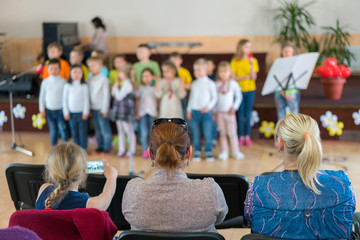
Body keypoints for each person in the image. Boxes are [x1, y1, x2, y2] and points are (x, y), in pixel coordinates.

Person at [244, 113, 356, 239]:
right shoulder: (343, 185)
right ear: (316, 142)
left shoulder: (258, 189)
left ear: (280, 143)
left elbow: (251, 221)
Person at [122, 119, 228, 232]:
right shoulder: (210, 190)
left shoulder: (133, 190)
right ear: (189, 153)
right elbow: (220, 219)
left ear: (150, 154)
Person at [35, 142, 117, 211]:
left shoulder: (43, 190)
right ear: (83, 171)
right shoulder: (89, 203)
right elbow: (106, 198)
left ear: (52, 171)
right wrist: (111, 177)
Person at [187, 58, 217, 161]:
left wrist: (208, 107)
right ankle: (197, 152)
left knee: (208, 133)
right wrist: (189, 110)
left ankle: (208, 151)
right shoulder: (194, 84)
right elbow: (192, 98)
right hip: (195, 112)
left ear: (206, 70)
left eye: (198, 69)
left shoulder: (210, 84)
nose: (196, 72)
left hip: (206, 112)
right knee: (196, 133)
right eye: (195, 70)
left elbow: (214, 98)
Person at [231, 39, 259, 147]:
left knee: (248, 114)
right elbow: (233, 77)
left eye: (250, 47)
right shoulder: (235, 61)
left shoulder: (253, 60)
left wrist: (251, 64)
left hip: (250, 90)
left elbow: (253, 77)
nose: (249, 49)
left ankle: (247, 136)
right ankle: (240, 136)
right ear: (241, 47)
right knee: (241, 114)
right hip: (239, 91)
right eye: (246, 47)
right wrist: (245, 77)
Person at [214, 61, 244, 161]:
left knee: (232, 132)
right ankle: (224, 151)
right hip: (219, 113)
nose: (223, 73)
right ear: (218, 73)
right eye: (221, 71)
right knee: (222, 133)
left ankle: (235, 151)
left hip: (229, 112)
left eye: (225, 71)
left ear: (230, 72)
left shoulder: (233, 83)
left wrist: (234, 107)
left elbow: (239, 96)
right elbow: (214, 98)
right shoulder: (216, 84)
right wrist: (214, 110)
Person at [39, 58, 69, 146]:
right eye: (51, 69)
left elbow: (66, 97)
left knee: (63, 129)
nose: (54, 71)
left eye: (56, 68)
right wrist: (42, 109)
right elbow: (42, 97)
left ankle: (65, 148)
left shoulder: (64, 82)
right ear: (48, 70)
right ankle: (54, 148)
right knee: (53, 130)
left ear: (60, 69)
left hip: (61, 110)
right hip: (50, 110)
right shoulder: (45, 82)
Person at [87, 56, 112, 155]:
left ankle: (107, 147)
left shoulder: (104, 79)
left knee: (104, 129)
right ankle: (100, 146)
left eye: (93, 66)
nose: (91, 68)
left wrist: (105, 109)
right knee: (97, 129)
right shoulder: (89, 79)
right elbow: (88, 95)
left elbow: (106, 95)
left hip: (102, 109)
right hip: (93, 108)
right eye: (89, 66)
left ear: (100, 66)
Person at [110, 64, 136, 157]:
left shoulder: (128, 84)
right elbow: (113, 93)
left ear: (125, 73)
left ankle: (132, 150)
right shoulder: (123, 83)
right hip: (120, 109)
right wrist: (116, 83)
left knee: (128, 130)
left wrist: (117, 87)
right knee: (120, 130)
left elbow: (119, 96)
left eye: (120, 72)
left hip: (125, 110)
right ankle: (122, 149)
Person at [63, 65, 90, 150]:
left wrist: (86, 112)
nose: (77, 74)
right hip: (71, 114)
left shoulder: (84, 86)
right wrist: (66, 112)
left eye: (79, 72)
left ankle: (83, 148)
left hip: (82, 114)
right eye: (74, 72)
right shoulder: (67, 85)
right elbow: (65, 100)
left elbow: (86, 99)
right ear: (70, 73)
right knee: (74, 132)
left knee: (83, 132)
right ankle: (76, 149)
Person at [135, 68, 158, 159]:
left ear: (152, 77)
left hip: (152, 112)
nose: (146, 78)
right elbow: (137, 99)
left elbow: (158, 99)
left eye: (148, 76)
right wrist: (137, 112)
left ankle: (154, 150)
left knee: (153, 133)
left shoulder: (155, 87)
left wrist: (158, 111)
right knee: (144, 132)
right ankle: (145, 150)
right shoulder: (140, 88)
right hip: (142, 112)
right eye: (144, 76)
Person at [274, 41, 299, 120]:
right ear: (282, 52)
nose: (287, 53)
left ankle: (295, 132)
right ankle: (282, 132)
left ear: (293, 52)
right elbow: (274, 78)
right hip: (279, 92)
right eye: (285, 52)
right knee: (281, 115)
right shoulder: (278, 63)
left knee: (294, 115)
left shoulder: (296, 63)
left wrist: (287, 93)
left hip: (291, 92)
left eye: (290, 52)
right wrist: (282, 92)